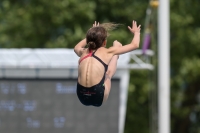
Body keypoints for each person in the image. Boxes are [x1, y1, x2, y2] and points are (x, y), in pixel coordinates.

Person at [74, 20, 141, 107]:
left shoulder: (83, 52)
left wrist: (92, 34)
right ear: (104, 42)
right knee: (108, 74)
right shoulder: (107, 52)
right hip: (98, 95)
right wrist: (136, 32)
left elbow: (76, 47)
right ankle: (116, 55)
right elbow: (135, 45)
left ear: (88, 40)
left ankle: (115, 52)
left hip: (81, 95)